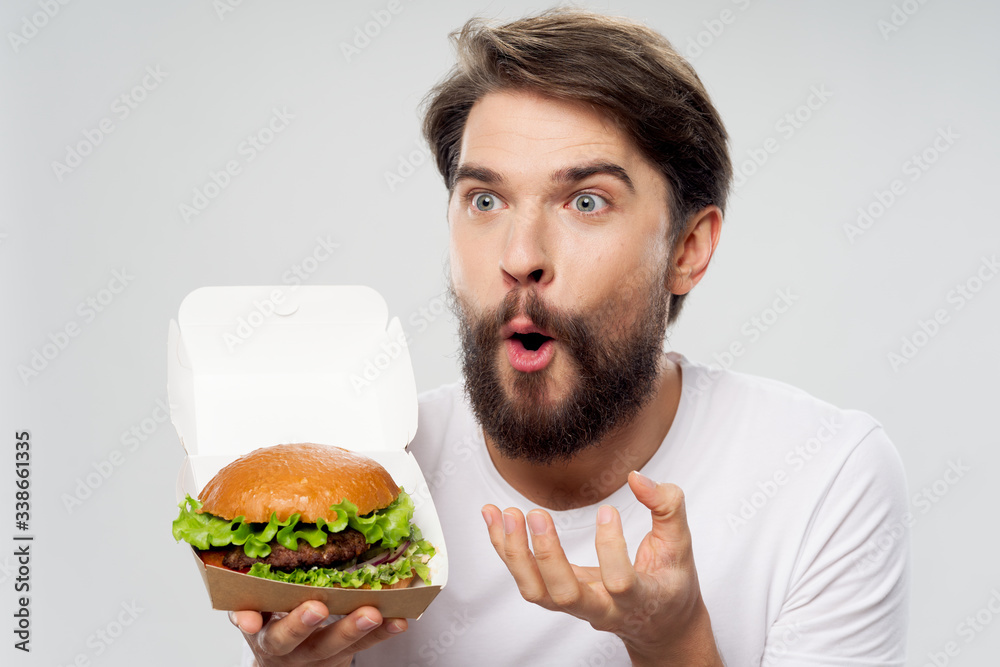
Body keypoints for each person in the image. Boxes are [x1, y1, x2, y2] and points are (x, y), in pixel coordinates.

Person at [233, 8, 910, 666]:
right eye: (485, 200)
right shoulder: (359, 484)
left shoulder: (825, 477)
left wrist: (674, 646)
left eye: (586, 201)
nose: (520, 256)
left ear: (687, 249)